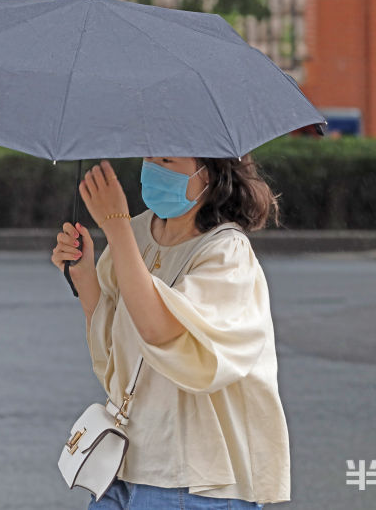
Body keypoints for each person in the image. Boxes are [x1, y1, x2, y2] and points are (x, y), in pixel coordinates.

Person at [50, 155, 290, 509]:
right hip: (124, 466)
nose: (153, 169)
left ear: (208, 173)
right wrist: (84, 275)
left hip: (196, 483)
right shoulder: (137, 233)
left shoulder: (226, 252)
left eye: (166, 159)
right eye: (149, 157)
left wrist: (114, 224)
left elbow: (158, 329)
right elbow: (118, 352)